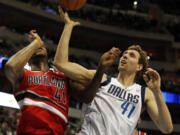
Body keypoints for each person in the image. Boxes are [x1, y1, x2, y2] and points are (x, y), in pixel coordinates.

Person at [54, 8, 173, 135]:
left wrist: (157, 91)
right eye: (124, 54)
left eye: (131, 55)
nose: (125, 56)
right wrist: (68, 26)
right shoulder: (102, 78)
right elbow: (61, 63)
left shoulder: (145, 93)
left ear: (139, 67)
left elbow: (167, 128)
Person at [4, 7, 118, 135]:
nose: (39, 47)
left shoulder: (62, 77)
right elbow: (10, 67)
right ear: (27, 59)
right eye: (33, 49)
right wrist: (35, 44)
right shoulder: (24, 75)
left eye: (42, 46)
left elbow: (86, 97)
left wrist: (101, 69)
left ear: (48, 53)